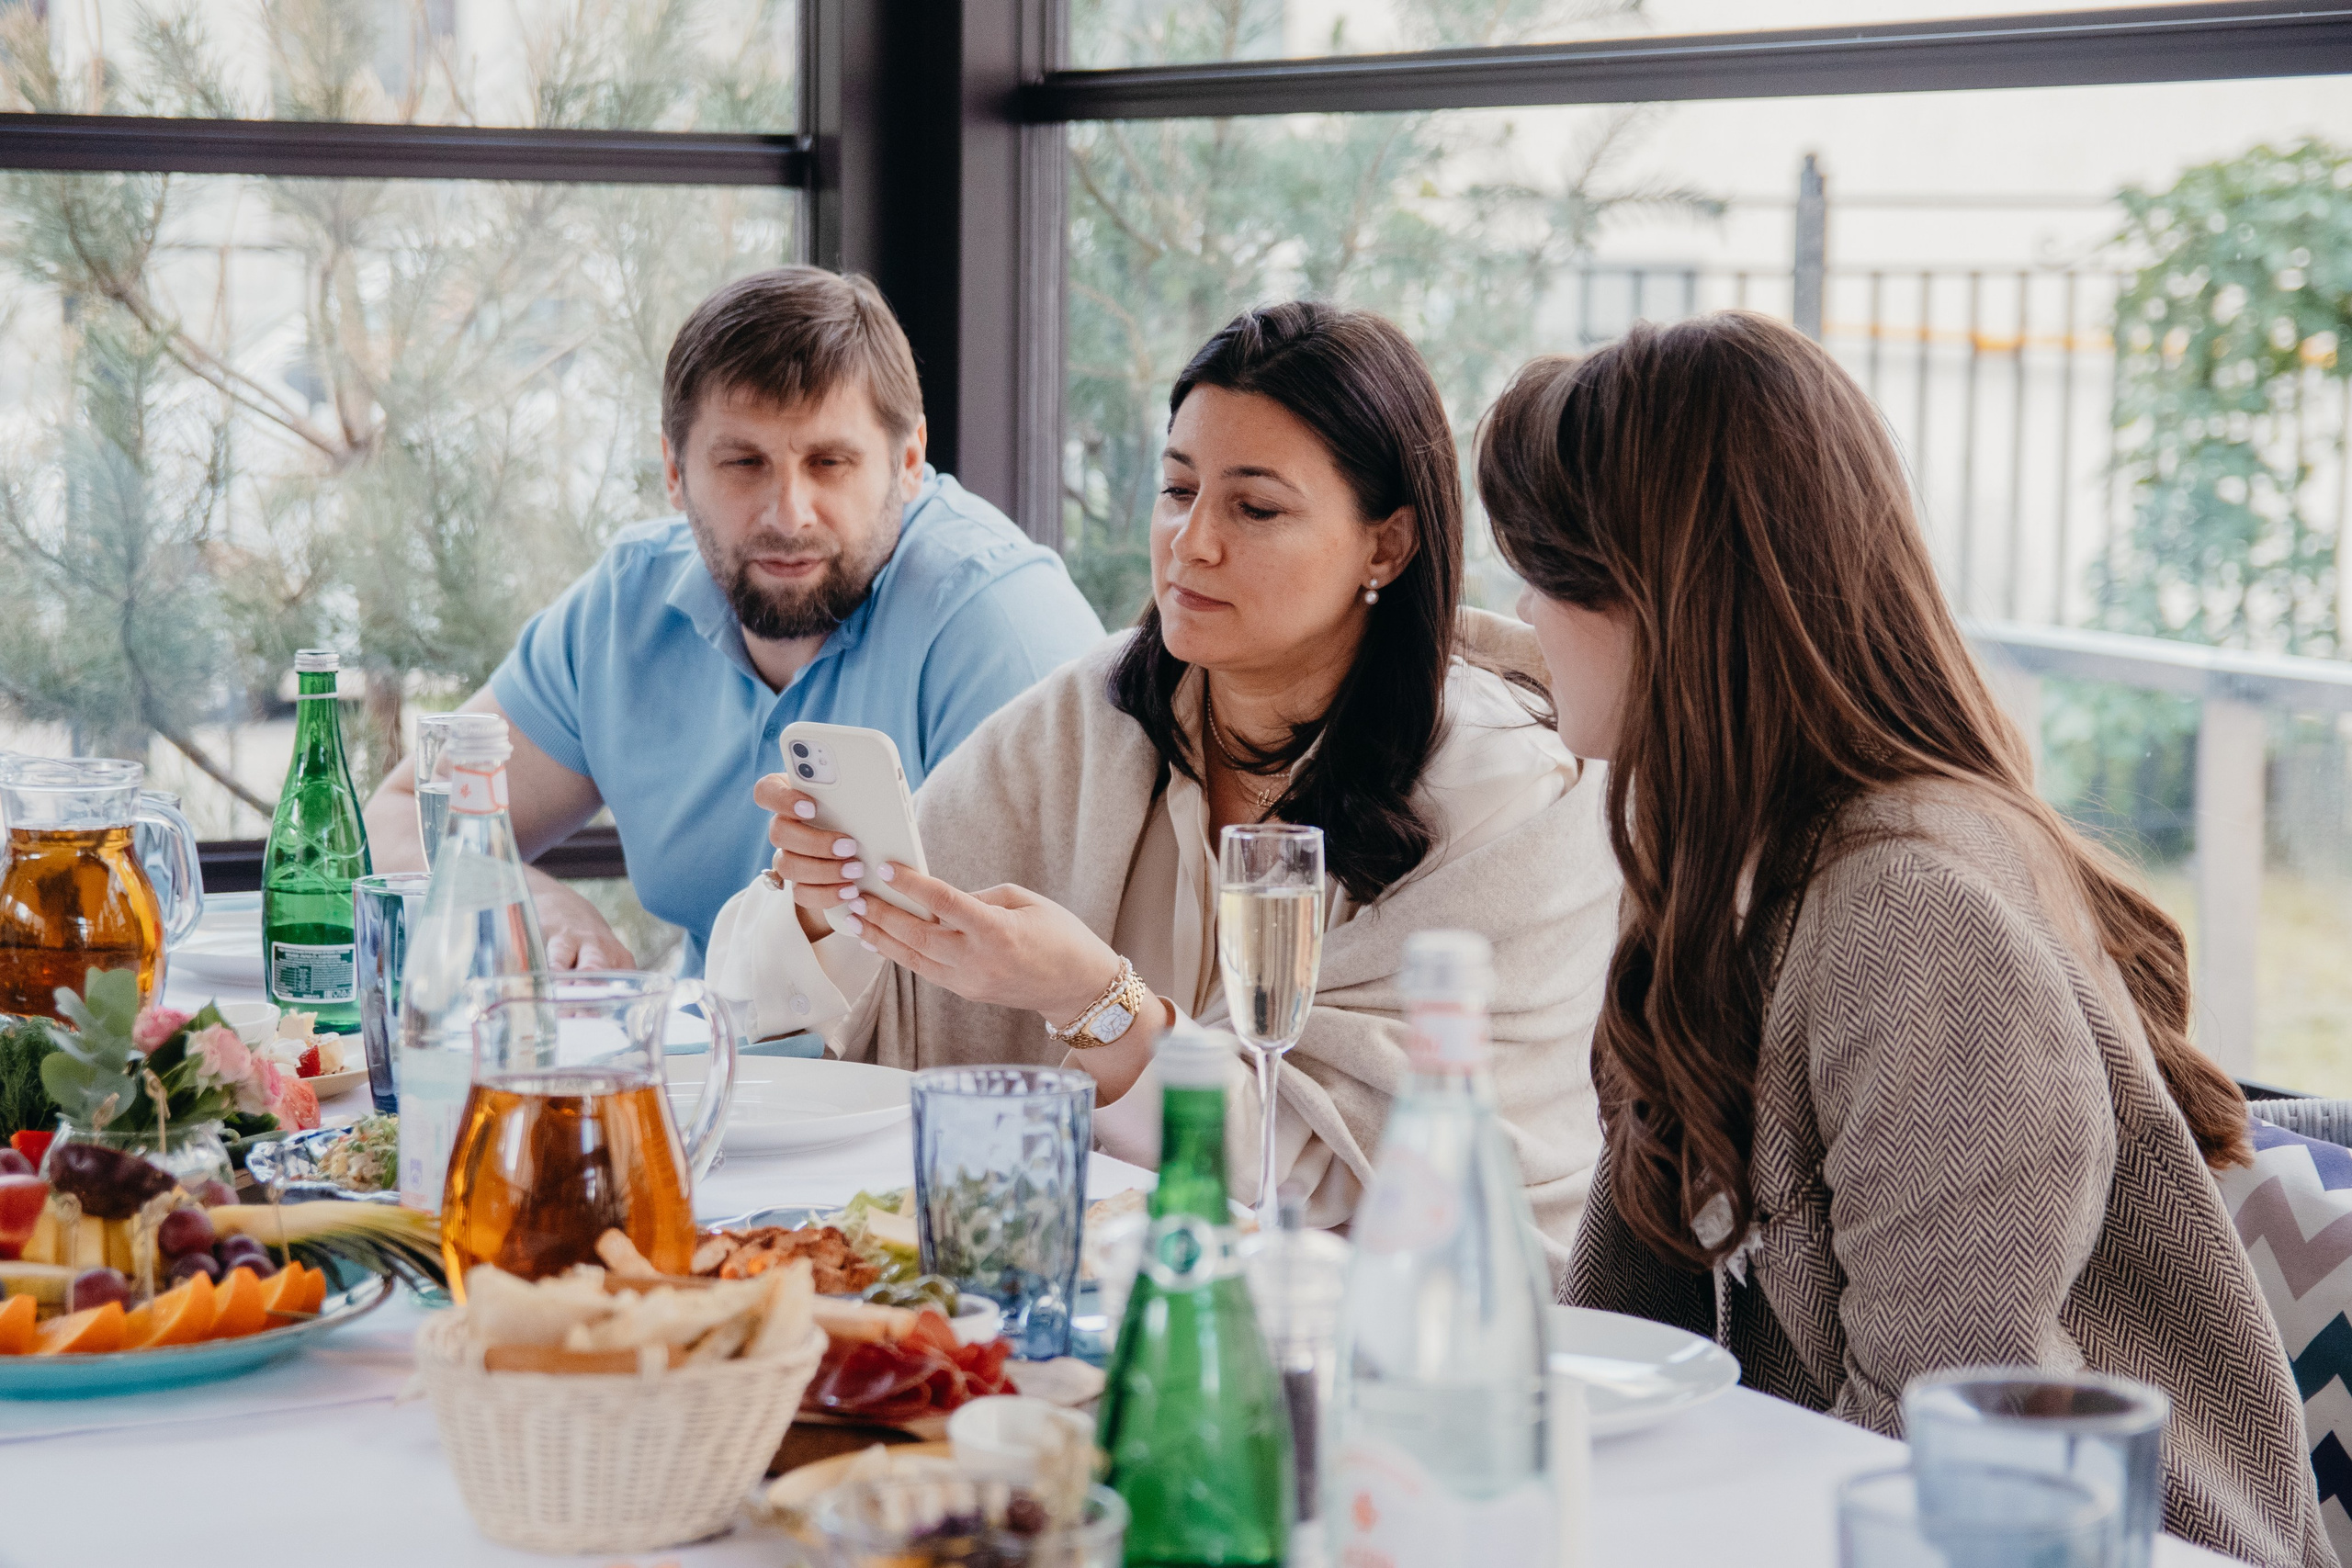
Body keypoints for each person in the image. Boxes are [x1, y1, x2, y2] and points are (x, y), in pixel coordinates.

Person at [1479, 311, 2326, 1565]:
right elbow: (1611, 1330)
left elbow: (1941, 1458)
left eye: (1543, 568)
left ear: (1667, 594)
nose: (1521, 609)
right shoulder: (1729, 867)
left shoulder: (1912, 916)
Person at [718, 300, 1622, 1255]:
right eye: (1177, 490)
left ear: (1386, 545)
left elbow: (1340, 1186)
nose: (1192, 543)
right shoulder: (1087, 717)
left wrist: (1099, 1004)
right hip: (1111, 1305)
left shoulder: (1509, 790)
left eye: (1255, 508)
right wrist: (831, 914)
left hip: (1420, 1341)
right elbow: (822, 1031)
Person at [363, 267, 1105, 974]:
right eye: (744, 463)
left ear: (908, 459)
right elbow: (403, 818)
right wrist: (535, 906)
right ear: (675, 469)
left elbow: (1060, 967)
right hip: (715, 1086)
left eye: (830, 462)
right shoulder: (625, 606)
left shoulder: (1001, 625)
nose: (788, 514)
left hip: (919, 1094)